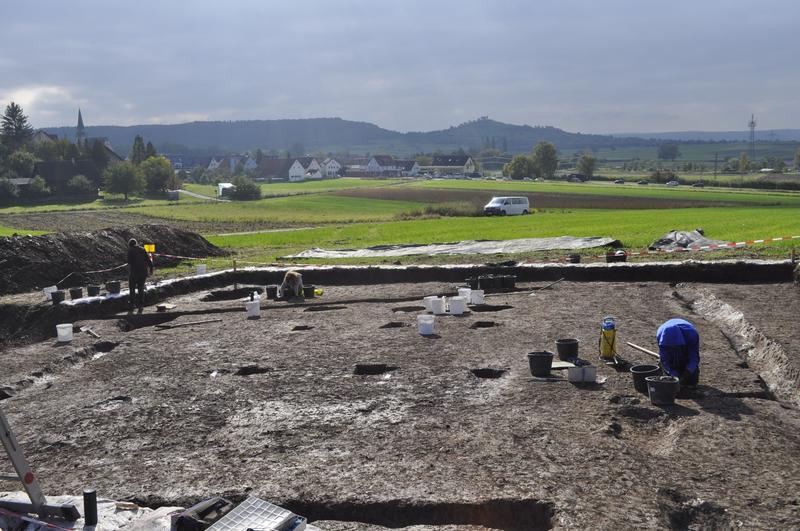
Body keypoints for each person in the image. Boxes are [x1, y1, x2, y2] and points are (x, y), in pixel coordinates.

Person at [656, 318, 700, 386]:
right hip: (669, 346)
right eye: (671, 347)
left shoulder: (692, 335)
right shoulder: (660, 335)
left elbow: (694, 357)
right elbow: (664, 357)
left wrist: (687, 373)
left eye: (675, 346)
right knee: (669, 379)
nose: (673, 348)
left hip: (685, 342)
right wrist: (673, 374)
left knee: (692, 381)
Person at [127, 238, 153, 311]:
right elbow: (149, 260)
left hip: (134, 272)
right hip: (143, 272)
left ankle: (132, 305)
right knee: (140, 289)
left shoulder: (130, 250)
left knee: (132, 289)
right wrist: (151, 269)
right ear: (136, 243)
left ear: (129, 245)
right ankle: (141, 305)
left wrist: (129, 272)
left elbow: (129, 262)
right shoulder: (143, 249)